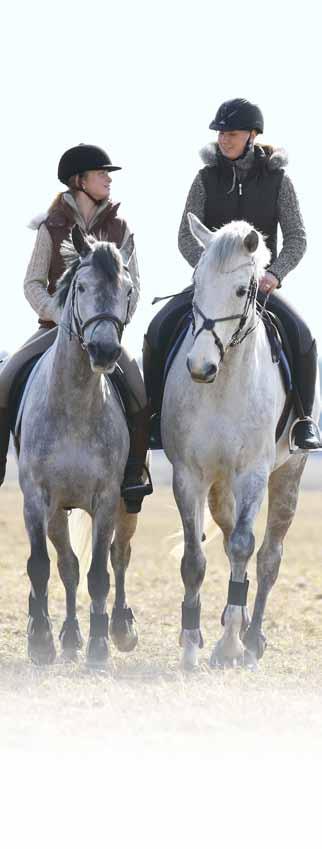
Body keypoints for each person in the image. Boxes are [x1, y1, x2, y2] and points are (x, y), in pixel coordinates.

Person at [144, 98, 321, 451]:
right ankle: (154, 418)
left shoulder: (278, 181)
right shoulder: (205, 178)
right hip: (210, 284)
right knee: (157, 328)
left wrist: (275, 274)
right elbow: (184, 235)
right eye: (221, 133)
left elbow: (298, 238)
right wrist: (207, 268)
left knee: (303, 337)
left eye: (233, 133)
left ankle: (303, 421)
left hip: (258, 285)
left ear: (252, 135)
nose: (224, 139)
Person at [0, 143, 152, 512]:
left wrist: (116, 321)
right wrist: (57, 311)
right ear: (78, 181)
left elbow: (134, 284)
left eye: (108, 174)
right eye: (101, 173)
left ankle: (133, 472)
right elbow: (32, 282)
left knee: (138, 390)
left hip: (103, 335)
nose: (108, 179)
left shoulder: (121, 227)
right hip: (54, 331)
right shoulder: (50, 227)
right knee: (5, 379)